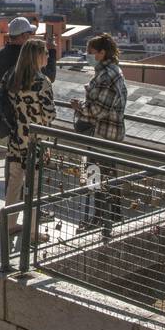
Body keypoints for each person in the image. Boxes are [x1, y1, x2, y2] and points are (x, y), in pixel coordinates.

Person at [70, 34, 129, 232]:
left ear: (103, 53)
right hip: (107, 133)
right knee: (107, 174)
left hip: (103, 134)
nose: (89, 56)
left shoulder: (108, 75)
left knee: (96, 174)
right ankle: (112, 216)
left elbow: (99, 109)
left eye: (92, 53)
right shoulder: (109, 72)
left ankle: (101, 218)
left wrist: (80, 108)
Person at [4, 38, 55, 238]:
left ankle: (9, 224)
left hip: (16, 138)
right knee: (33, 187)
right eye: (46, 53)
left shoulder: (12, 76)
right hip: (35, 140)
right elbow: (50, 114)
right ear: (37, 56)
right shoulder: (42, 82)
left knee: (15, 183)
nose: (48, 56)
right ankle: (33, 231)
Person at [0, 16, 57, 84]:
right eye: (29, 33)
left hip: (5, 94)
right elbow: (50, 77)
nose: (30, 37)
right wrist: (52, 51)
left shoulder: (0, 53)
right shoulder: (28, 55)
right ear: (24, 35)